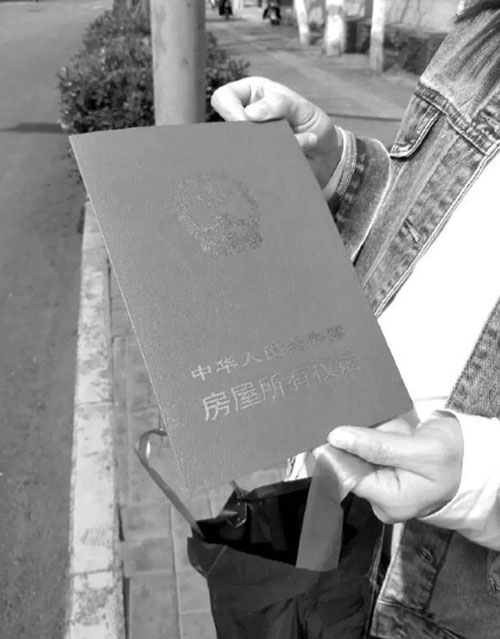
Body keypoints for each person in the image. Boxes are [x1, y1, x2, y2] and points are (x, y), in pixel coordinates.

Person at [211, 1, 500, 637]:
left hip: (441, 595)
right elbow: (433, 213)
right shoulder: (484, 28)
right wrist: (338, 168)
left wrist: (481, 475)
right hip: (325, 494)